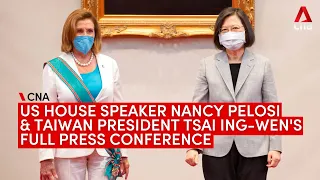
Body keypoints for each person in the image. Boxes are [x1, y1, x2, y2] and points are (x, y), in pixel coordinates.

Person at [185, 7, 282, 180]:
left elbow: (271, 107)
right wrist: (193, 146)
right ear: (219, 35)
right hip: (216, 148)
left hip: (255, 148)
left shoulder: (262, 64)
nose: (230, 33)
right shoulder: (207, 65)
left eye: (235, 28)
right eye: (225, 30)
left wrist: (275, 146)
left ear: (246, 30)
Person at [40, 9, 130, 180]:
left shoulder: (110, 64)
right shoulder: (54, 68)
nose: (85, 35)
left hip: (105, 148)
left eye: (90, 31)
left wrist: (123, 152)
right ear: (70, 33)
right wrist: (46, 158)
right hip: (68, 148)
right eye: (79, 31)